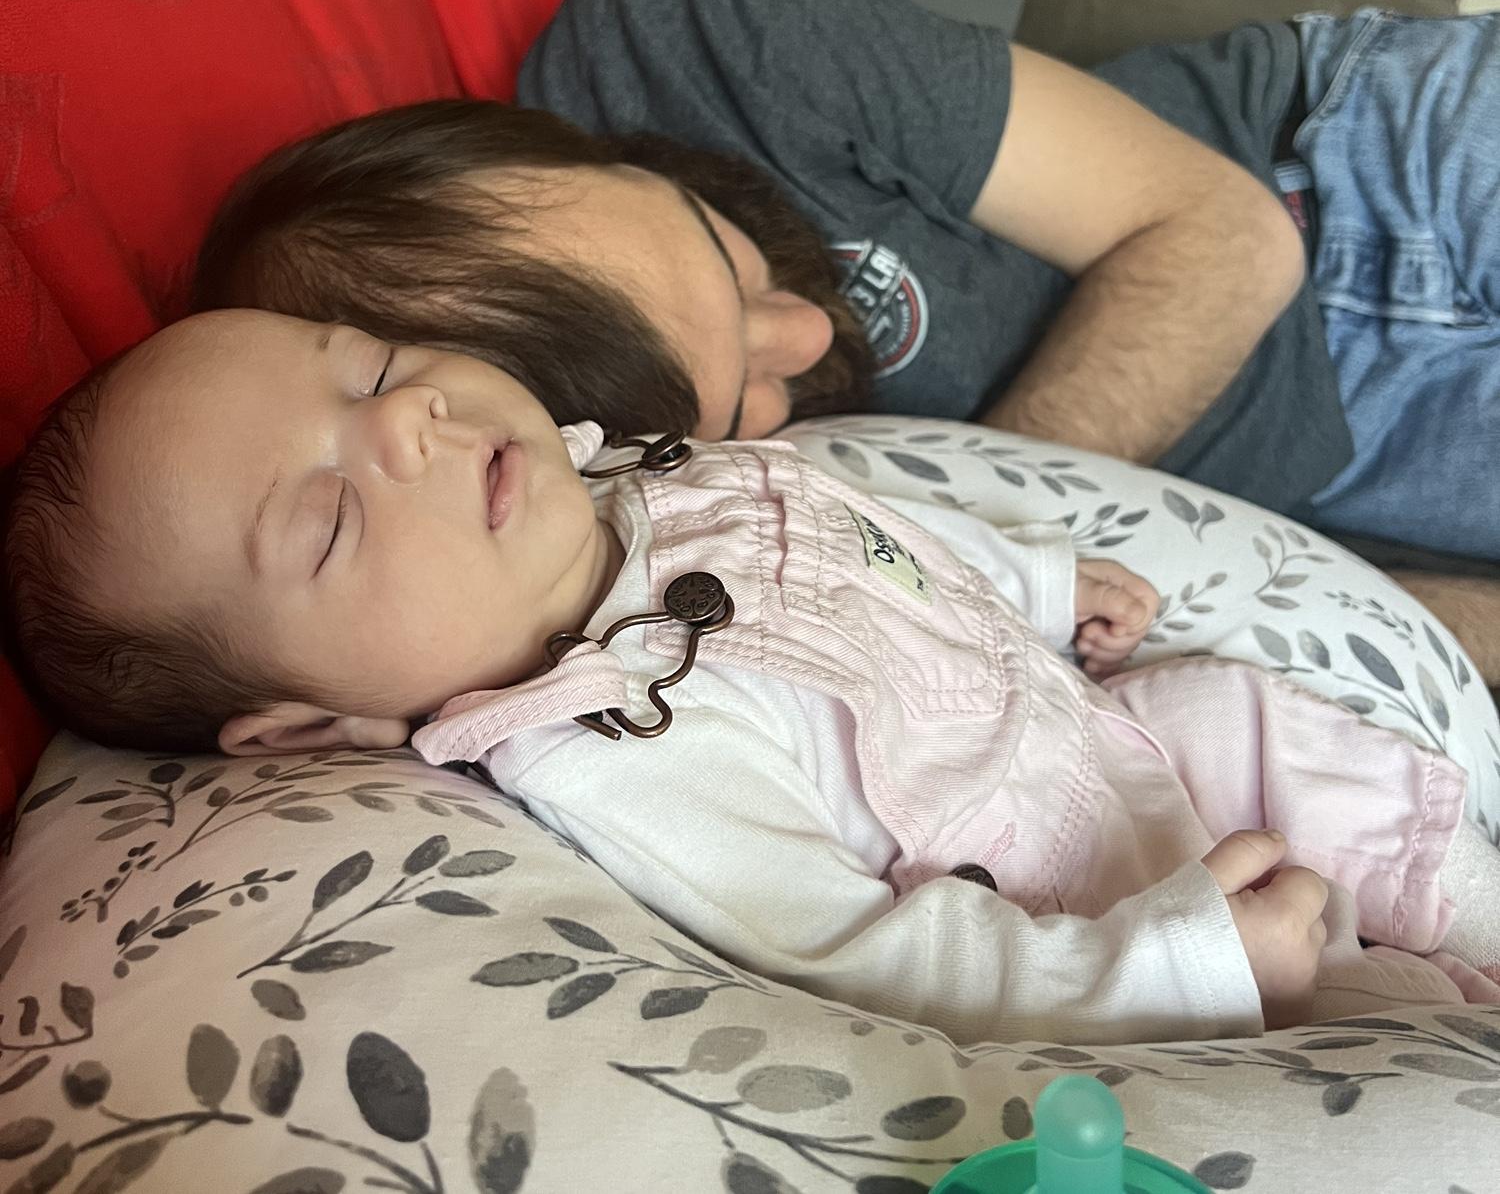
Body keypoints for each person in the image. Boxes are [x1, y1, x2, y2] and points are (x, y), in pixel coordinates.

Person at [7, 309, 1499, 1048]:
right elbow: (864, 955)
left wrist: (1038, 585)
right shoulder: (612, 744)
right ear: (309, 725)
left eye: (375, 366)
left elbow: (872, 535)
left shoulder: (635, 477)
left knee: (1232, 704)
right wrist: (1174, 970)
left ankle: (1470, 893)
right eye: (330, 519)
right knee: (1354, 996)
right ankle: (1430, 1007)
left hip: (1091, 726)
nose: (409, 424)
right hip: (1082, 895)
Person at [192, 0, 1500, 680]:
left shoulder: (678, 25)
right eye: (754, 396)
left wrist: (973, 548)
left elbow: (1221, 237)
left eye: (726, 256)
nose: (809, 335)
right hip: (1322, 475)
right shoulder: (599, 514)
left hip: (1353, 170)